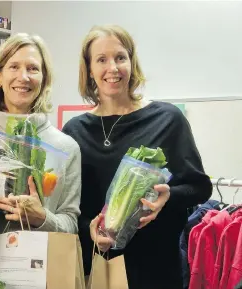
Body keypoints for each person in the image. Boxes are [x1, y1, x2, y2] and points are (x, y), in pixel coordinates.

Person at [62, 25, 212, 289]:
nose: (113, 68)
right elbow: (71, 207)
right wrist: (89, 229)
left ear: (132, 62)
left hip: (157, 271)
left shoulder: (167, 119)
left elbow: (199, 187)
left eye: (120, 57)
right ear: (89, 69)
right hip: (96, 270)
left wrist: (168, 197)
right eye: (101, 59)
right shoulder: (74, 131)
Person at [0, 33, 81, 234]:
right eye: (14, 67)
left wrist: (42, 217)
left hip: (41, 262)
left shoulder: (66, 146)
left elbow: (71, 224)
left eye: (33, 69)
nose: (23, 77)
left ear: (44, 79)